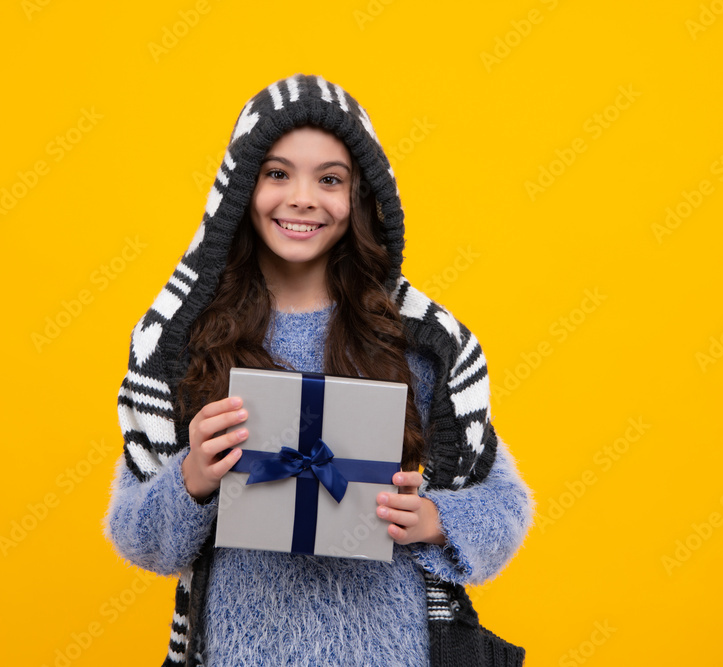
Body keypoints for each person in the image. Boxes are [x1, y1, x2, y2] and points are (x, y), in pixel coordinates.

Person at [103, 73, 534, 667]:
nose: (302, 197)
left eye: (329, 179)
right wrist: (191, 478)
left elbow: (504, 506)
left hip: (397, 652)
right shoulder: (180, 342)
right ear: (239, 190)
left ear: (358, 198)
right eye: (277, 173)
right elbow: (138, 538)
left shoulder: (421, 341)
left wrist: (437, 520)